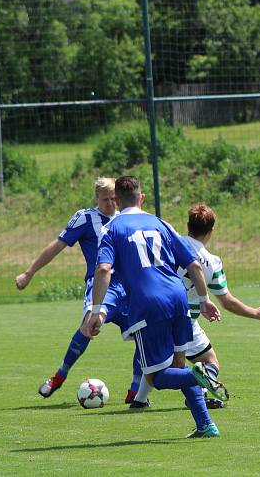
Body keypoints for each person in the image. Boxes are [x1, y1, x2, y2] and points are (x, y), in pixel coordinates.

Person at [83, 176, 227, 439]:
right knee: (179, 364)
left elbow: (103, 268)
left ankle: (200, 378)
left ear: (116, 200)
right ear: (142, 197)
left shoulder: (112, 228)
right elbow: (194, 264)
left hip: (148, 305)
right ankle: (206, 425)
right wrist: (205, 299)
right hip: (178, 298)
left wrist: (95, 310)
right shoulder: (161, 223)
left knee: (157, 377)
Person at [129, 203, 260, 409]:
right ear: (211, 231)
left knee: (158, 362)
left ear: (188, 225)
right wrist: (255, 312)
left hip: (155, 310)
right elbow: (227, 301)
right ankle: (198, 390)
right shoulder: (213, 262)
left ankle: (139, 400)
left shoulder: (170, 244)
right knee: (210, 362)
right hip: (185, 320)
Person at [15, 177, 127, 398]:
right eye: (106, 199)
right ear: (96, 198)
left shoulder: (126, 218)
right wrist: (29, 273)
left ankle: (136, 393)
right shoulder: (85, 218)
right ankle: (59, 376)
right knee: (88, 326)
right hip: (101, 284)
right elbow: (57, 246)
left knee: (146, 332)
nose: (111, 203)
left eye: (114, 199)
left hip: (128, 286)